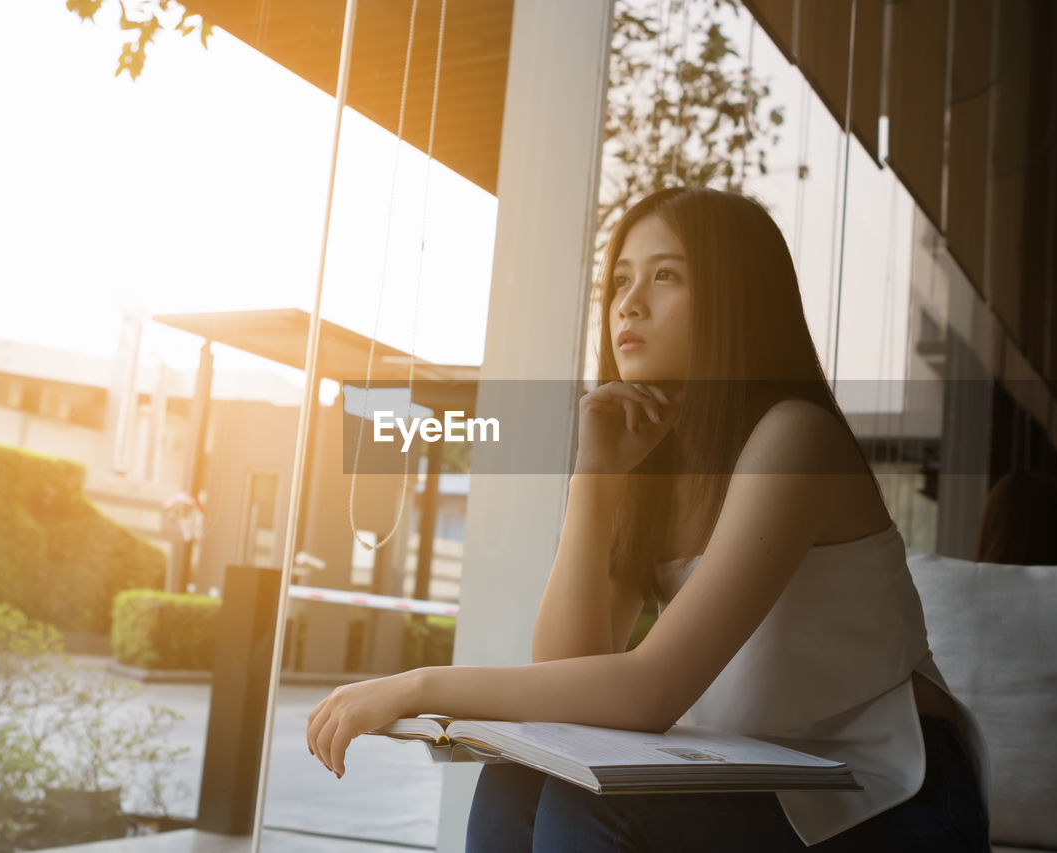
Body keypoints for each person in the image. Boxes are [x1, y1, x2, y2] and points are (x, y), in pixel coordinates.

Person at [304, 186, 991, 851]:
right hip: (763, 773)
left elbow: (650, 690)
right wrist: (596, 474)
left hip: (897, 794)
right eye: (622, 280)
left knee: (592, 810)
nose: (629, 303)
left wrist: (419, 684)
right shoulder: (650, 466)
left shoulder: (795, 438)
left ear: (737, 302)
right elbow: (567, 677)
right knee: (516, 780)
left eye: (665, 276)